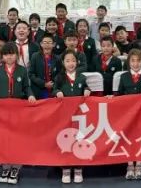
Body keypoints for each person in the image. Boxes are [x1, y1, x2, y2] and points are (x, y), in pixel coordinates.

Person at [0, 42, 36, 185]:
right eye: (6, 54)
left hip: (18, 110)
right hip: (2, 111)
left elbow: (26, 87)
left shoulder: (22, 70)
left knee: (17, 138)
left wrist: (30, 95)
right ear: (2, 56)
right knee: (4, 139)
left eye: (12, 54)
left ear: (17, 55)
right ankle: (6, 167)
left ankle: (16, 167)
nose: (9, 57)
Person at [53, 49, 90, 183]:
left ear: (77, 62)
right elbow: (54, 89)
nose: (71, 63)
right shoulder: (59, 77)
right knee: (66, 141)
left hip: (79, 117)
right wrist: (57, 92)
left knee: (79, 140)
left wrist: (87, 90)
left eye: (73, 61)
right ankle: (66, 169)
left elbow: (86, 87)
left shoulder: (82, 77)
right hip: (64, 116)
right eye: (68, 61)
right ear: (63, 63)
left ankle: (79, 169)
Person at [118, 49, 141, 180]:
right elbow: (119, 96)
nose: (135, 63)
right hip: (127, 115)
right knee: (128, 138)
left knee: (140, 138)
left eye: (138, 61)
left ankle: (139, 164)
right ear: (128, 62)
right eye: (132, 61)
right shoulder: (123, 76)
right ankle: (129, 164)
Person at [28, 33, 59, 99]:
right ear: (41, 44)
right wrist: (44, 84)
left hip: (53, 89)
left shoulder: (57, 58)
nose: (47, 45)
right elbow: (31, 74)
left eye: (49, 42)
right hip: (38, 89)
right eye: (44, 42)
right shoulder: (35, 56)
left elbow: (59, 74)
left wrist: (53, 84)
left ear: (54, 44)